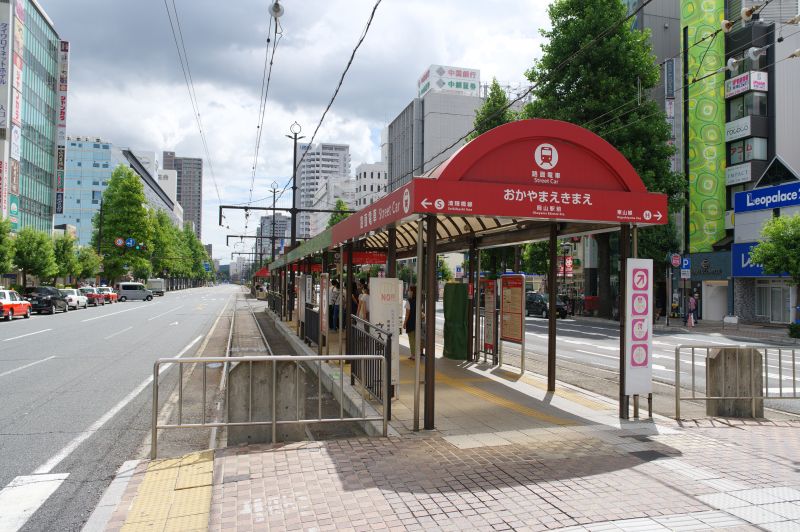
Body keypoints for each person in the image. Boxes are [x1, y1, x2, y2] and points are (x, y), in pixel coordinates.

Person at [403, 285, 417, 359]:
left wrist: (404, 323)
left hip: (410, 323)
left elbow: (407, 314)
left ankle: (413, 355)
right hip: (417, 323)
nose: (408, 292)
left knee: (411, 339)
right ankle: (416, 354)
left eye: (409, 290)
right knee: (416, 339)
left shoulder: (409, 301)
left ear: (412, 291)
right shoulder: (418, 300)